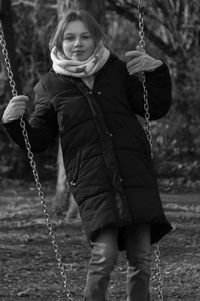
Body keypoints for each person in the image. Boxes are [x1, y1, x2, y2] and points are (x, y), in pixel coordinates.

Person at [1, 9, 173, 301]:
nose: (77, 43)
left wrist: (157, 71)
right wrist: (11, 123)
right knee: (104, 257)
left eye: (85, 36)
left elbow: (152, 108)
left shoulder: (116, 70)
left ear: (96, 40)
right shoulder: (50, 86)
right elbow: (39, 139)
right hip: (94, 184)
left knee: (141, 260)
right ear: (59, 42)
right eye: (69, 37)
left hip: (135, 177)